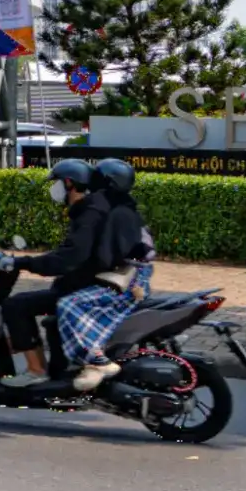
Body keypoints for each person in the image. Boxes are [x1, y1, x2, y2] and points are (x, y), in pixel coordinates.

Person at [0, 158, 145, 389]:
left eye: (56, 182)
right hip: (98, 281)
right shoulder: (106, 208)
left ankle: (36, 371)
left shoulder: (91, 212)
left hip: (85, 285)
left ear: (69, 184)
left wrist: (23, 263)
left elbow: (71, 258)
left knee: (16, 305)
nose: (53, 188)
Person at [53, 158, 154, 391]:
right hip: (132, 277)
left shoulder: (114, 214)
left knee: (69, 305)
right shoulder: (123, 208)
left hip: (129, 282)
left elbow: (105, 258)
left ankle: (97, 360)